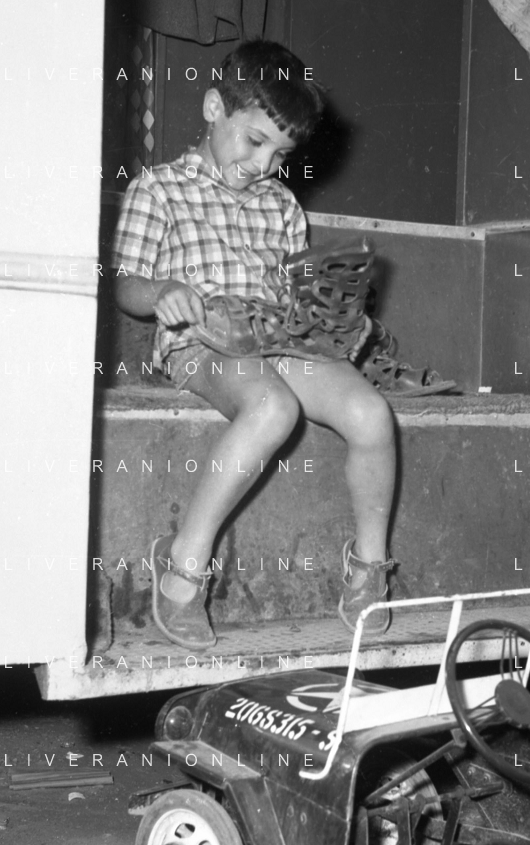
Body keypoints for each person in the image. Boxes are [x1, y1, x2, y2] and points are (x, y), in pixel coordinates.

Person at [111, 40, 396, 650]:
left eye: (281, 153)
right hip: (203, 341)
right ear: (215, 108)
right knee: (272, 407)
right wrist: (162, 291)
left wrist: (339, 321)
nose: (264, 164)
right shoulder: (158, 189)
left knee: (371, 412)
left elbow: (296, 297)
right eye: (254, 140)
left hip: (279, 341)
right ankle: (183, 566)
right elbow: (126, 283)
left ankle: (368, 569)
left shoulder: (282, 206)